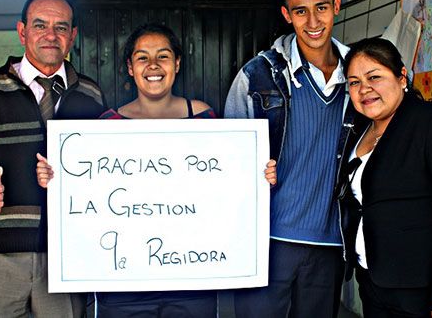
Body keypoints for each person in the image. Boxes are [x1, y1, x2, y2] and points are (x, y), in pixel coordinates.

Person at [36, 22, 277, 317]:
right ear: (129, 67)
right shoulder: (105, 128)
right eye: (142, 57)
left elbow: (228, 188)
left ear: (177, 63)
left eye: (162, 56)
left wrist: (259, 175)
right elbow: (86, 199)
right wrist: (55, 179)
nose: (153, 65)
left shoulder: (204, 118)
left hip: (192, 281)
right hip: (122, 286)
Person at [0, 0, 107, 317]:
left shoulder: (90, 94)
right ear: (22, 32)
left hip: (66, 258)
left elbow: (101, 171)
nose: (51, 35)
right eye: (40, 25)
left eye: (61, 27)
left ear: (72, 36)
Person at [224, 0, 352, 318]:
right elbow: (229, 163)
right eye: (301, 11)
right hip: (267, 241)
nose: (313, 22)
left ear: (336, 6)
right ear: (286, 14)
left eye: (321, 8)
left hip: (330, 241)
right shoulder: (257, 75)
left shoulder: (359, 74)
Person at [338, 37, 432, 318]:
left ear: (402, 77)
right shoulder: (357, 131)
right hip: (372, 280)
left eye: (374, 77)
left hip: (420, 290)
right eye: (354, 82)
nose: (364, 89)